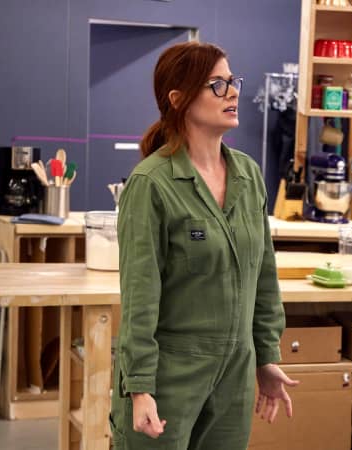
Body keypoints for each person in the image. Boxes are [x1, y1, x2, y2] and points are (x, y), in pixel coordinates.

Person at [110, 41, 298, 450]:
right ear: (178, 100)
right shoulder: (151, 184)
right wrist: (140, 387)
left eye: (232, 82)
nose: (232, 92)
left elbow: (263, 277)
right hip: (170, 374)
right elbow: (140, 297)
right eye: (216, 85)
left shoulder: (248, 175)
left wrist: (266, 358)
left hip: (235, 373)